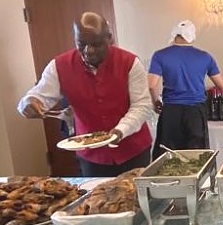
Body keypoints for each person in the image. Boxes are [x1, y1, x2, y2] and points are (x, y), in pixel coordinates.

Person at [18, 12, 153, 177]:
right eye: (81, 44)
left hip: (133, 149)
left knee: (138, 192)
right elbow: (39, 96)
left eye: (96, 44)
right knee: (95, 193)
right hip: (91, 155)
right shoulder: (59, 66)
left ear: (109, 39)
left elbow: (142, 105)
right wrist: (29, 103)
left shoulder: (130, 63)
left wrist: (120, 130)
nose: (88, 51)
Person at [147, 20, 223, 156]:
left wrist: (155, 101)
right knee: (196, 156)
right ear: (192, 36)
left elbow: (151, 85)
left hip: (171, 112)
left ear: (175, 35)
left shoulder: (160, 55)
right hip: (195, 112)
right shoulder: (205, 57)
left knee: (169, 156)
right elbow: (222, 86)